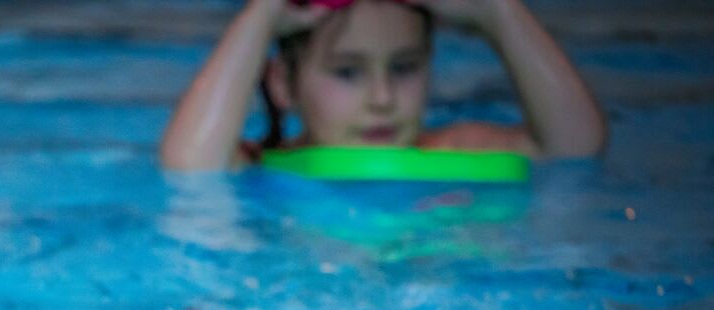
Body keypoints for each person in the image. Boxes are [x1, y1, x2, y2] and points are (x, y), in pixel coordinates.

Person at [159, 0, 606, 171]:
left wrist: (499, 13)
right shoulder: (259, 167)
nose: (382, 99)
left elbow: (575, 147)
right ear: (282, 83)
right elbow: (188, 165)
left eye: (404, 67)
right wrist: (260, 17)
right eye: (348, 72)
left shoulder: (453, 151)